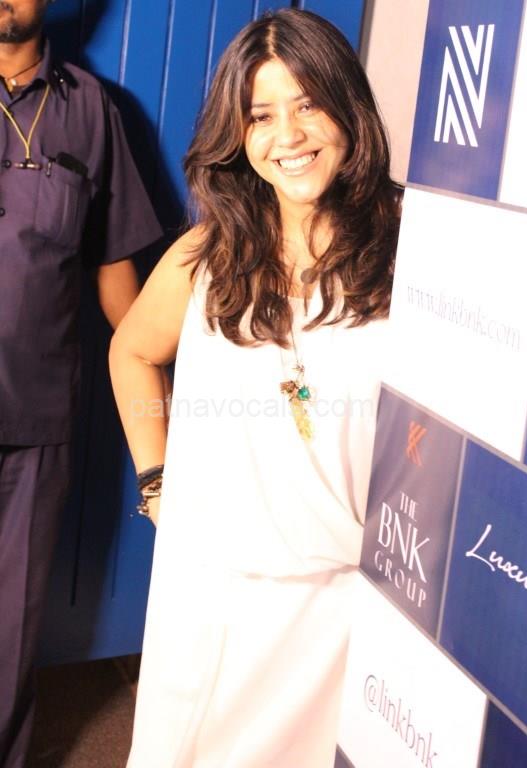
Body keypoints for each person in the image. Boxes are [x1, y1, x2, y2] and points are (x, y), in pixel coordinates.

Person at [110, 8, 402, 768]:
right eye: (261, 115)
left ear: (348, 108)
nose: (288, 135)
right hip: (215, 595)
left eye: (308, 104)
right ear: (237, 133)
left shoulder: (412, 251)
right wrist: (156, 482)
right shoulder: (206, 254)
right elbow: (131, 351)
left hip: (349, 602)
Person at [0, 1, 163, 766]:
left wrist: (170, 399)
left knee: (11, 624)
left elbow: (115, 275)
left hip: (38, 419)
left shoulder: (92, 109)